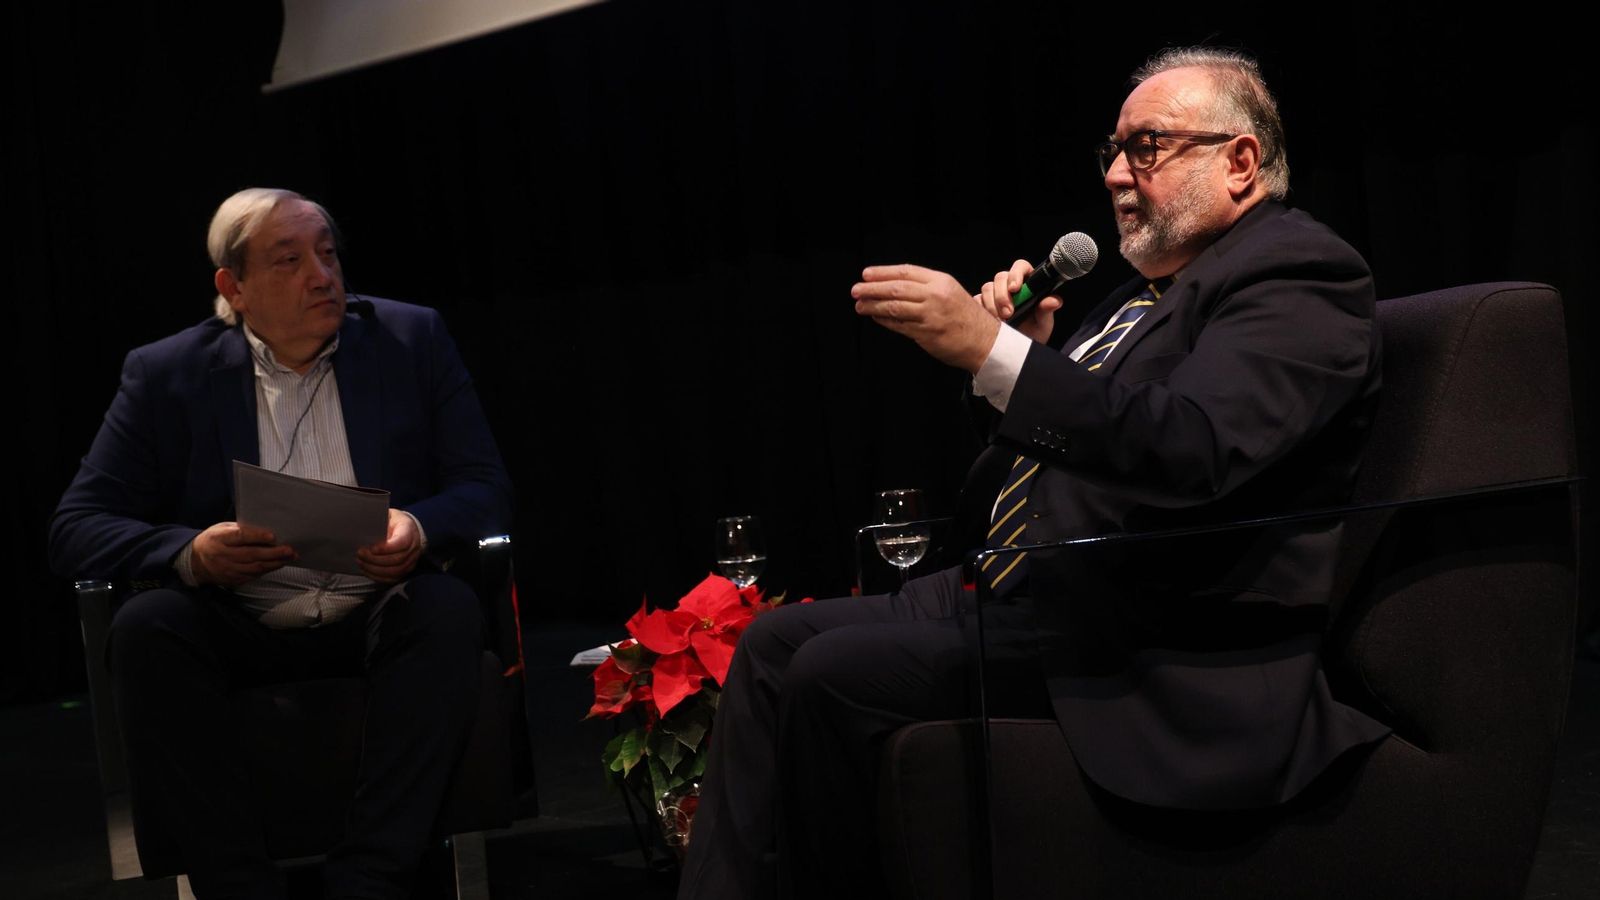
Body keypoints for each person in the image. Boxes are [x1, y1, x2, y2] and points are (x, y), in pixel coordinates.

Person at [677, 47, 1390, 899]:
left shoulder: (1296, 271)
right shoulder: (1138, 301)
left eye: (1149, 146)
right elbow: (1050, 465)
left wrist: (999, 354)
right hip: (1029, 581)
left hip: (1151, 631)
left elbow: (1195, 448)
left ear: (1239, 162)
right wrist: (1018, 366)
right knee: (766, 645)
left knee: (830, 678)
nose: (1121, 176)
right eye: (1115, 153)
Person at [48, 188, 513, 900]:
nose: (322, 276)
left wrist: (417, 527)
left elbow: (485, 484)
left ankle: (370, 879)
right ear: (233, 288)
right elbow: (76, 526)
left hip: (377, 607)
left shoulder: (409, 339)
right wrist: (191, 553)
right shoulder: (165, 373)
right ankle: (239, 888)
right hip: (243, 620)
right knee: (148, 628)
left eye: (327, 254)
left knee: (445, 608)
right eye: (289, 261)